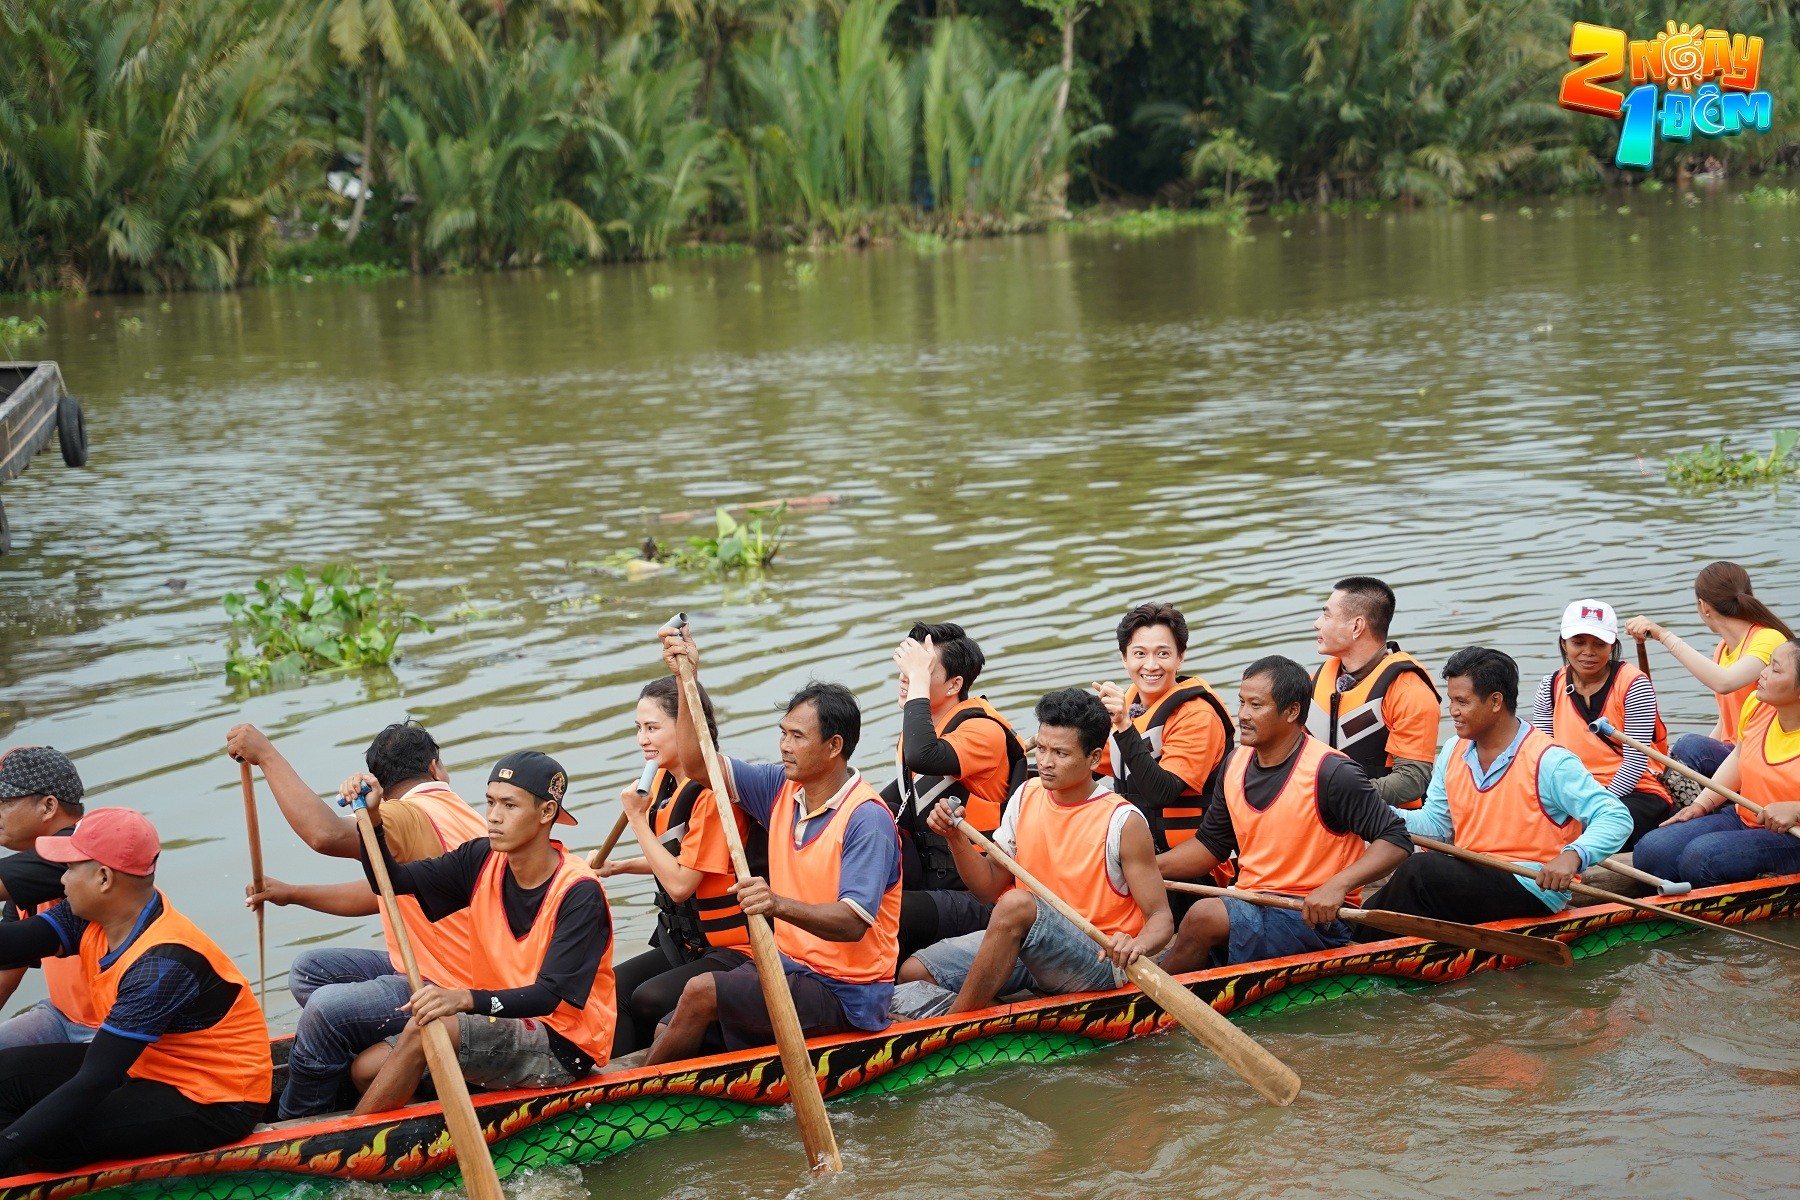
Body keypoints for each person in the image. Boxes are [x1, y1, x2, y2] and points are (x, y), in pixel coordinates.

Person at [644, 628, 901, 1065]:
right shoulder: (778, 787)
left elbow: (852, 922)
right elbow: (696, 762)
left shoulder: (867, 819)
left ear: (834, 746)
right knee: (667, 1024)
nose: (784, 745)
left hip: (846, 992)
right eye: (783, 733)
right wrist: (688, 682)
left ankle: (635, 1103)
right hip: (788, 967)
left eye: (797, 736)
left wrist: (775, 903)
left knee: (701, 991)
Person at [224, 721, 485, 1118]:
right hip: (442, 966)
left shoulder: (413, 814)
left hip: (450, 983)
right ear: (435, 768)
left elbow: (324, 835)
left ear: (380, 784)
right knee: (309, 971)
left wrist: (267, 756)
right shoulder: (461, 812)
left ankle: (298, 1118)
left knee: (325, 1009)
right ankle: (380, 1059)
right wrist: (294, 894)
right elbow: (385, 889)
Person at [0, 809, 269, 1173]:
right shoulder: (91, 916)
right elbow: (10, 944)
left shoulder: (161, 963)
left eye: (68, 868)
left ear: (104, 878)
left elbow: (95, 1080)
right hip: (147, 1069)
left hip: (214, 1100)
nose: (61, 880)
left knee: (51, 1139)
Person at [351, 751, 614, 1112]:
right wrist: (373, 820)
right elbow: (389, 882)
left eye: (509, 805)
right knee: (365, 1070)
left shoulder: (580, 892)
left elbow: (550, 996)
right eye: (490, 802)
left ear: (546, 813)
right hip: (499, 1020)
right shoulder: (480, 859)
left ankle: (350, 1163)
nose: (493, 816)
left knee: (432, 1029)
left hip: (563, 1045)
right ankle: (430, 1142)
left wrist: (464, 999)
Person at [895, 689, 1171, 1013]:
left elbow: (1161, 918)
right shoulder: (1026, 793)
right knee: (916, 971)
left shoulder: (1123, 821)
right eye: (1040, 748)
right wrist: (954, 838)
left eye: (1060, 753)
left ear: (1094, 758)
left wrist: (1135, 945)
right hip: (1033, 945)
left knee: (1016, 904)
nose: (1045, 762)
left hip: (1100, 958)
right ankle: (992, 1020)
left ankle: (953, 1025)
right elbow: (987, 887)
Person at [1158, 657, 1411, 969]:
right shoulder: (1234, 763)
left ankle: (1146, 1004)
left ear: (1292, 711)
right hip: (1253, 903)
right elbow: (1211, 846)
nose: (1243, 716)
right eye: (1241, 702)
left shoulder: (1332, 772)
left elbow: (1396, 839)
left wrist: (1337, 886)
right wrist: (1147, 868)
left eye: (1256, 705)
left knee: (1202, 915)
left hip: (1316, 918)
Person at [1371, 648, 1634, 925]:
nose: (1453, 712)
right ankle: (1362, 933)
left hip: (1534, 886)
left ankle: (1355, 940)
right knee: (1409, 864)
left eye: (1462, 701)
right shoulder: (1452, 750)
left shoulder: (1549, 759)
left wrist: (1573, 856)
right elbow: (1436, 826)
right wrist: (1374, 812)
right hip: (1475, 875)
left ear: (1496, 701)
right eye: (1451, 700)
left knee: (1421, 871)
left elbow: (1615, 816)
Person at [601, 677, 761, 1056]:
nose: (643, 739)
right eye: (638, 729)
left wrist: (637, 822)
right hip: (687, 942)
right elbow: (679, 858)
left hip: (737, 948)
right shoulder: (662, 785)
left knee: (647, 998)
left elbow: (681, 884)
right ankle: (613, 1075)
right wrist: (621, 866)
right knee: (609, 988)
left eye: (653, 728)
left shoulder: (711, 794)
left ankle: (652, 1072)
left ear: (688, 728)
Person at [884, 622, 1025, 959]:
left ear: (955, 684)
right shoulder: (920, 732)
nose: (907, 677)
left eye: (922, 669)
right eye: (907, 669)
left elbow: (925, 756)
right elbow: (885, 803)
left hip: (980, 895)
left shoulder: (982, 732)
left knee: (884, 914)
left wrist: (918, 684)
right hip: (935, 883)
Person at [1632, 639, 1800, 886]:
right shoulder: (1757, 704)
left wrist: (1795, 809)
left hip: (1791, 836)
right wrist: (1701, 805)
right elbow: (1738, 757)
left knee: (1701, 858)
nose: (1762, 673)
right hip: (1743, 816)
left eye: (1775, 669)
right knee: (1650, 851)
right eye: (1768, 663)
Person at [1626, 561, 1794, 776]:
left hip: (1763, 752)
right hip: (1733, 754)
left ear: (1703, 606)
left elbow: (1725, 682)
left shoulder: (1769, 639)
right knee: (1677, 754)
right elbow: (1725, 724)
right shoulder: (1722, 649)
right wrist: (1675, 761)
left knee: (1688, 745)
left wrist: (1663, 636)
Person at [1530, 600, 1672, 848]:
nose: (1588, 652)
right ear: (1564, 643)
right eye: (1578, 643)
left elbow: (1635, 762)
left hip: (1634, 791)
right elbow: (1542, 758)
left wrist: (1595, 806)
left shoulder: (1634, 684)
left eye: (1599, 644)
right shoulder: (1550, 686)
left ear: (1613, 646)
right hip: (1574, 793)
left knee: (1588, 828)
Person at [1092, 602, 1232, 852]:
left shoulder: (1198, 716)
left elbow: (1162, 793)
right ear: (1124, 659)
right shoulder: (1129, 702)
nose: (1151, 665)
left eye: (1163, 654)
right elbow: (1085, 763)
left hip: (1191, 861)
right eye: (1140, 654)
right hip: (1139, 848)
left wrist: (1123, 724)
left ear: (1181, 657)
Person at [1308, 576, 1441, 809]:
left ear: (1357, 626)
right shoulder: (1315, 681)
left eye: (1327, 615)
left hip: (1383, 823)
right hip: (1321, 814)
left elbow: (1412, 780)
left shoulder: (1409, 691)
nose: (1317, 623)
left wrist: (1340, 797)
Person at [0, 748, 98, 1051]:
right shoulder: (26, 878)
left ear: (48, 806)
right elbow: (6, 971)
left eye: (4, 802)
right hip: (62, 1016)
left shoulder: (84, 846)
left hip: (115, 1029)